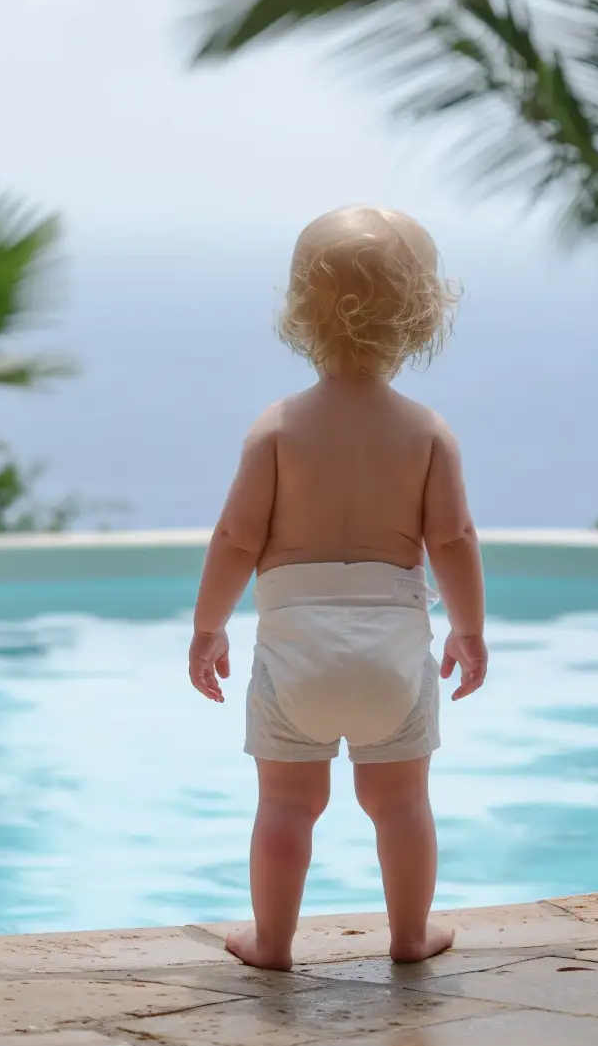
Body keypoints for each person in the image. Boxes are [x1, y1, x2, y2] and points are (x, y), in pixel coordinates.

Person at [189, 206, 486, 971]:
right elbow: (452, 540)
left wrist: (208, 628)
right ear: (422, 317)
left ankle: (275, 942)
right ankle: (410, 937)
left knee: (287, 805)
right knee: (400, 805)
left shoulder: (277, 431)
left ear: (297, 312)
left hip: (296, 657)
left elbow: (235, 541)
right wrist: (469, 630)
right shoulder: (426, 433)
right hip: (391, 653)